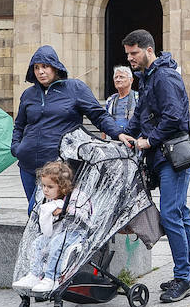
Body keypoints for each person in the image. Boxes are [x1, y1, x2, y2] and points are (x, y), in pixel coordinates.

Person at [117, 30, 190, 303]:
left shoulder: (164, 77)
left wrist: (148, 141)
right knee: (181, 213)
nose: (130, 59)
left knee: (171, 214)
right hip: (166, 155)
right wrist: (127, 134)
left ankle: (183, 279)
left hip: (172, 156)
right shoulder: (149, 77)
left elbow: (174, 117)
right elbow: (142, 114)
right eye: (128, 54)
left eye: (134, 53)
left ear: (149, 50)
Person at [11, 46, 120, 200]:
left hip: (58, 166)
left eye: (45, 66)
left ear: (55, 67)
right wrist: (17, 148)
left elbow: (99, 115)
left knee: (50, 212)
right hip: (28, 165)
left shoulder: (75, 88)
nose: (40, 71)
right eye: (36, 67)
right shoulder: (28, 94)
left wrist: (119, 133)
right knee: (35, 215)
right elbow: (20, 125)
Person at [12, 160, 77, 293]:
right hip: (57, 231)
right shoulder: (50, 199)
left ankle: (51, 278)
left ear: (63, 186)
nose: (45, 190)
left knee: (56, 244)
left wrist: (66, 209)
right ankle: (34, 275)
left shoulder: (74, 196)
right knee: (37, 243)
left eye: (50, 187)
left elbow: (86, 212)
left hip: (73, 233)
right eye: (43, 186)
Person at [102, 65, 139, 134]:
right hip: (113, 139)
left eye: (121, 77)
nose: (118, 80)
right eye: (116, 77)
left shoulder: (139, 98)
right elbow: (105, 121)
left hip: (133, 139)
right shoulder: (110, 100)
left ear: (131, 80)